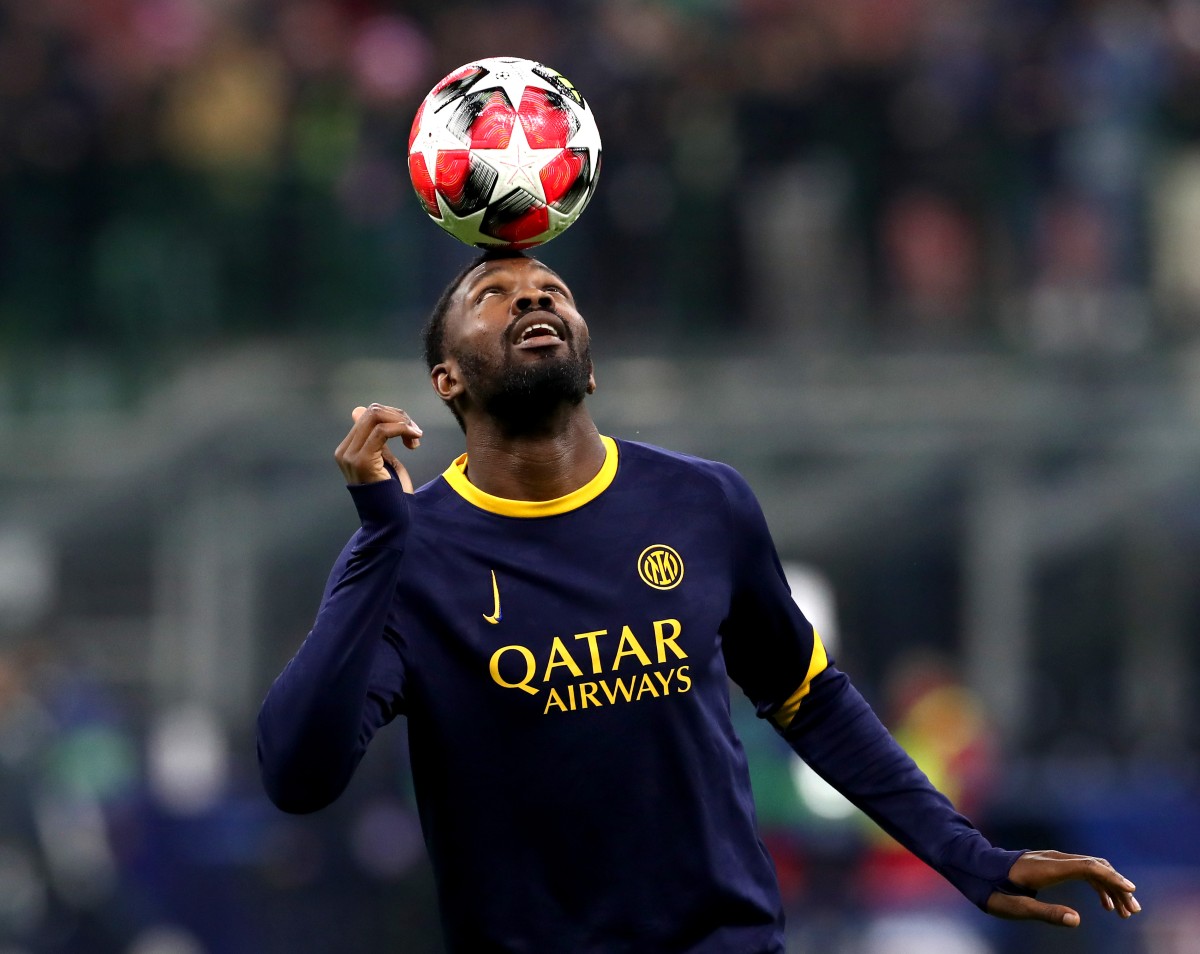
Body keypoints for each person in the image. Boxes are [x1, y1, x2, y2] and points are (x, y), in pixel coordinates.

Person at [256, 249, 1140, 952]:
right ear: (447, 380)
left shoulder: (703, 503)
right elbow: (298, 774)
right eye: (494, 293)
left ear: (590, 365)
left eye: (553, 290)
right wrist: (378, 536)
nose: (535, 301)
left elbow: (811, 699)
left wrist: (968, 856)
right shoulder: (409, 552)